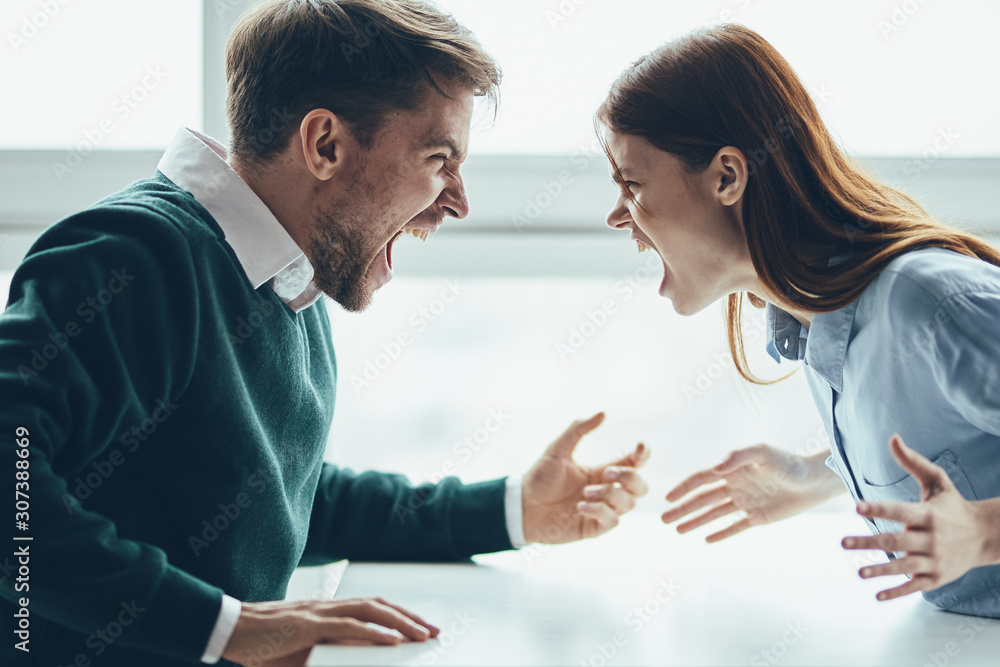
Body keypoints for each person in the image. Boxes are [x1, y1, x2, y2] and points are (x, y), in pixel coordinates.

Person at [0, 2, 650, 665]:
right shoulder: (134, 256)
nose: (458, 199)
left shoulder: (287, 281)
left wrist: (511, 510)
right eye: (438, 158)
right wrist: (228, 627)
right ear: (325, 145)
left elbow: (287, 495)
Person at [596, 23, 1000, 619]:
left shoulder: (929, 302)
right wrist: (813, 476)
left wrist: (983, 533)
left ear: (728, 177)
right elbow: (953, 444)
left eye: (632, 183)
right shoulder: (814, 326)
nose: (616, 216)